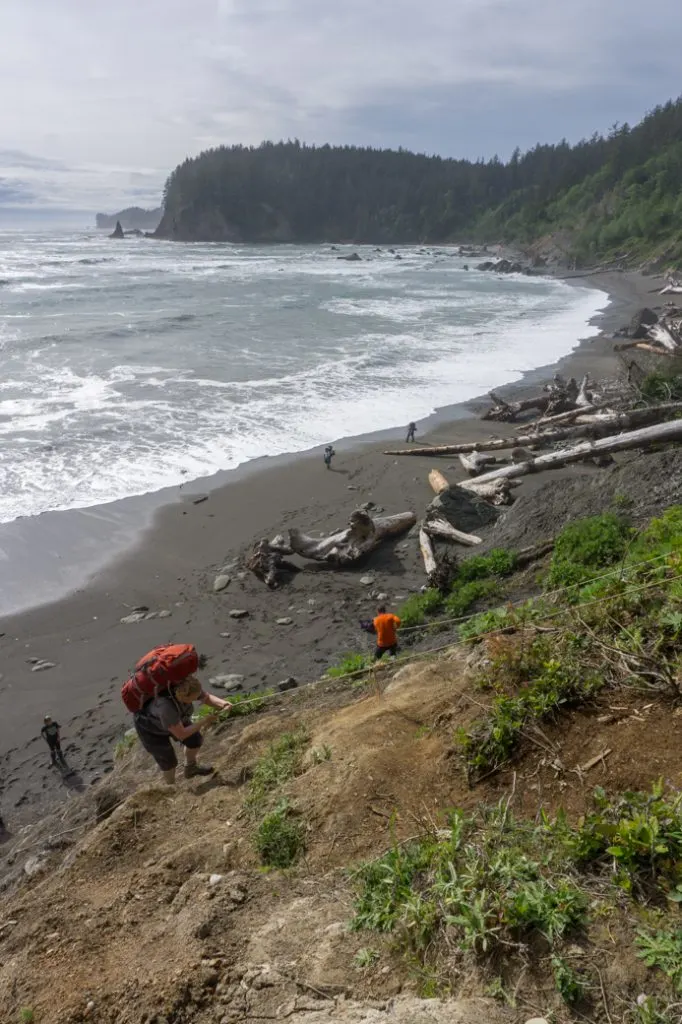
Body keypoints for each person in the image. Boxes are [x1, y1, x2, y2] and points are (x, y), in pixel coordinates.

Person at [133, 676, 232, 785]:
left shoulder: (188, 687)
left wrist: (224, 704)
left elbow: (206, 697)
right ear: (183, 697)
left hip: (177, 719)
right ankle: (171, 787)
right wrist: (204, 721)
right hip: (151, 728)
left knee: (195, 740)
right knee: (168, 761)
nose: (195, 700)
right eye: (193, 698)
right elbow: (182, 734)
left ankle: (191, 768)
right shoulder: (165, 707)